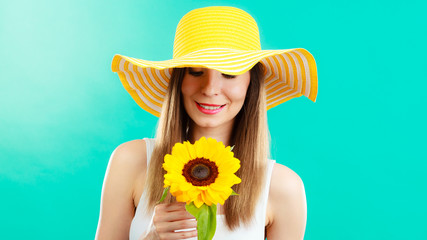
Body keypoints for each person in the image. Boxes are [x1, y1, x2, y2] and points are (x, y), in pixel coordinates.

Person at [96, 6, 318, 240]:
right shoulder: (131, 161)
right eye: (195, 72)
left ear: (251, 84)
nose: (210, 89)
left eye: (230, 73)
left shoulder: (283, 187)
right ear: (179, 81)